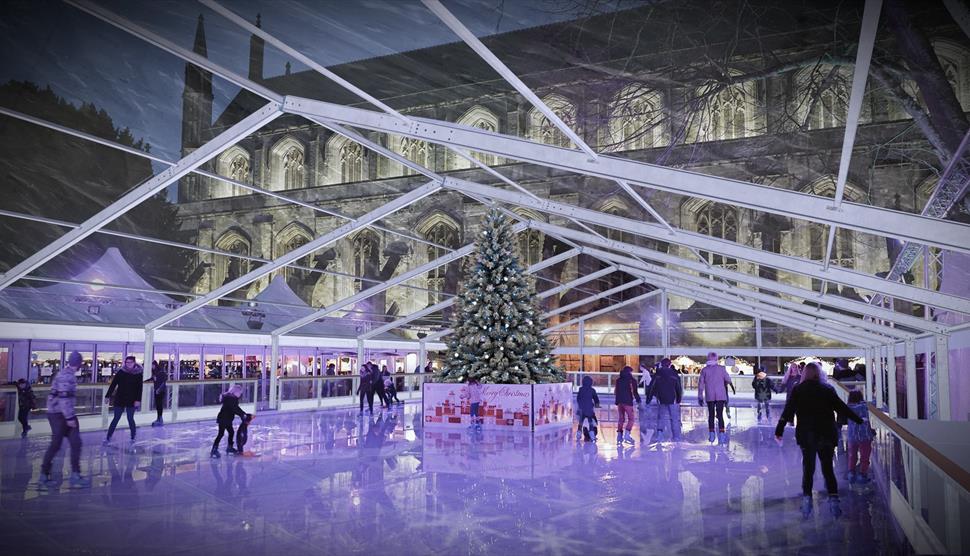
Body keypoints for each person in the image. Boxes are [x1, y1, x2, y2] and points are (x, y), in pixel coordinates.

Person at [775, 362, 862, 518]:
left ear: (804, 374)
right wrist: (859, 420)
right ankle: (834, 501)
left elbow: (789, 410)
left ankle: (807, 501)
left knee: (808, 468)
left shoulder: (798, 390)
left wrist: (779, 429)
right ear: (819, 373)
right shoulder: (827, 389)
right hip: (826, 434)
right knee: (827, 468)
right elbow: (842, 408)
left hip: (807, 435)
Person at [40, 351, 91, 488]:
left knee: (75, 443)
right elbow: (64, 398)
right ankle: (45, 474)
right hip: (60, 414)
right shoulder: (67, 376)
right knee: (58, 444)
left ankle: (74, 474)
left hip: (59, 413)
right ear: (79, 364)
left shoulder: (65, 373)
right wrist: (69, 418)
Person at [103, 355, 144, 450]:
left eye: (130, 362)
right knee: (116, 418)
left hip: (132, 399)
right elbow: (113, 384)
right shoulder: (121, 372)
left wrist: (138, 400)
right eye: (126, 362)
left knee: (130, 418)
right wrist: (107, 396)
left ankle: (133, 436)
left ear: (134, 363)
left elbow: (139, 389)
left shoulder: (138, 374)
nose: (128, 364)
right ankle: (108, 437)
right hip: (120, 398)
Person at [698, 352, 733, 443]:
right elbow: (728, 379)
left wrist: (700, 396)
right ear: (716, 359)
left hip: (710, 395)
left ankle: (712, 434)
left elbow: (701, 385)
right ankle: (721, 435)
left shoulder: (704, 370)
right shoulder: (722, 369)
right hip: (721, 395)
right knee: (720, 415)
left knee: (711, 415)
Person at [645, 358, 683, 441]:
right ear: (669, 365)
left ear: (661, 364)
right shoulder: (674, 374)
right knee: (674, 418)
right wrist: (679, 398)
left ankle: (660, 434)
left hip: (661, 398)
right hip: (672, 399)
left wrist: (648, 399)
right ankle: (676, 436)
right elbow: (678, 388)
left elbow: (651, 387)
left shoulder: (657, 374)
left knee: (661, 417)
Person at [212, 384, 249, 458]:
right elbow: (235, 409)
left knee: (231, 432)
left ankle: (229, 447)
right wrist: (243, 415)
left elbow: (236, 408)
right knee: (221, 434)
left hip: (226, 418)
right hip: (224, 419)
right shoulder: (231, 399)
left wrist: (243, 414)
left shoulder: (230, 398)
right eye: (240, 393)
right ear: (236, 392)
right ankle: (214, 450)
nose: (240, 394)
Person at [845, 390, 874, 484]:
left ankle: (851, 474)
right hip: (864, 436)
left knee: (852, 456)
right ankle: (862, 475)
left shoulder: (847, 408)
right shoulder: (864, 406)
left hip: (852, 436)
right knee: (865, 457)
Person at [614, 366, 641, 445]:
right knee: (631, 419)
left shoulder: (618, 380)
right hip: (628, 402)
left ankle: (619, 435)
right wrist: (638, 400)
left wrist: (617, 401)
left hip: (620, 402)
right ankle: (627, 434)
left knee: (621, 419)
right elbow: (635, 392)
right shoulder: (632, 380)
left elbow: (616, 391)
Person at [576, 375, 600, 442]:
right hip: (589, 409)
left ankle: (578, 435)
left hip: (582, 409)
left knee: (581, 422)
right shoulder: (592, 390)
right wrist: (597, 405)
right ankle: (592, 436)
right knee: (590, 422)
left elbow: (578, 398)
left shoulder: (581, 389)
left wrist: (580, 405)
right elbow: (596, 399)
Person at [145, 360, 167, 427]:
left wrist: (159, 390)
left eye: (152, 365)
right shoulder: (155, 372)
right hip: (156, 390)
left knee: (159, 405)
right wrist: (146, 381)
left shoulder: (161, 372)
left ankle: (160, 419)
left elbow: (163, 382)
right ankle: (158, 418)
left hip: (160, 391)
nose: (152, 367)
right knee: (158, 405)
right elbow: (153, 378)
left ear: (155, 365)